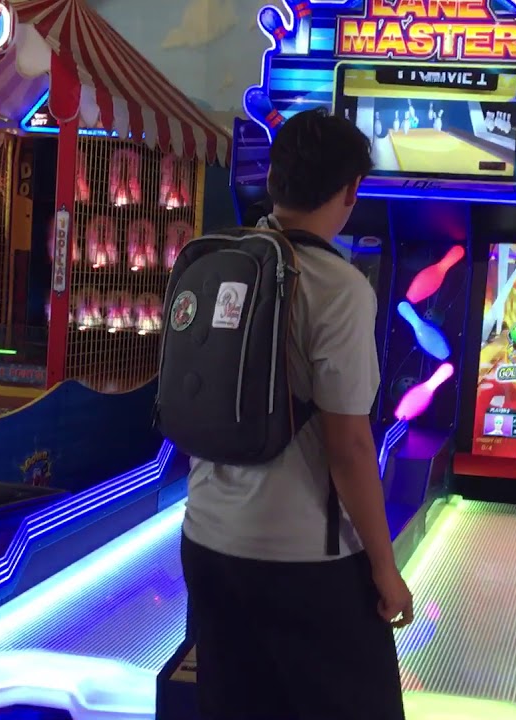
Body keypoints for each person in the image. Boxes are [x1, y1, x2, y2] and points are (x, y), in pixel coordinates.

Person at [180, 107, 411, 720]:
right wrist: (385, 569)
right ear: (349, 191)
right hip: (301, 561)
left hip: (205, 539)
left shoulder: (214, 257)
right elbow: (350, 446)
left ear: (275, 178)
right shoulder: (339, 287)